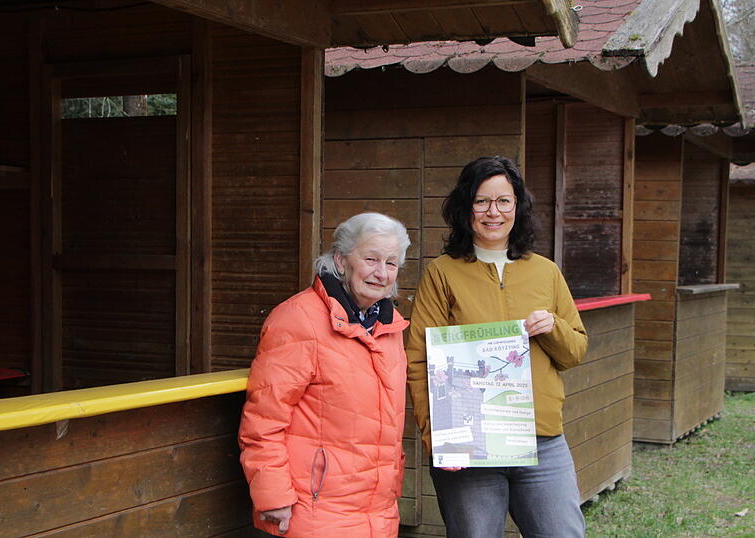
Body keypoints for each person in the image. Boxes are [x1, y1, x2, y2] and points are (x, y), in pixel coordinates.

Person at [406, 156, 589, 537]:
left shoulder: (546, 271)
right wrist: (437, 438)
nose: (494, 212)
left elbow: (575, 352)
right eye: (481, 201)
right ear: (465, 207)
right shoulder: (442, 272)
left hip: (542, 440)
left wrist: (552, 327)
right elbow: (420, 359)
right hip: (470, 444)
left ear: (518, 207)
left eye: (504, 201)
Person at [238, 212, 411, 537]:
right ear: (341, 261)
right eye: (371, 259)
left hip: (379, 513)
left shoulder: (390, 326)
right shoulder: (298, 319)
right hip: (314, 511)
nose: (381, 272)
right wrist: (273, 496)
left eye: (391, 263)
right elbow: (263, 421)